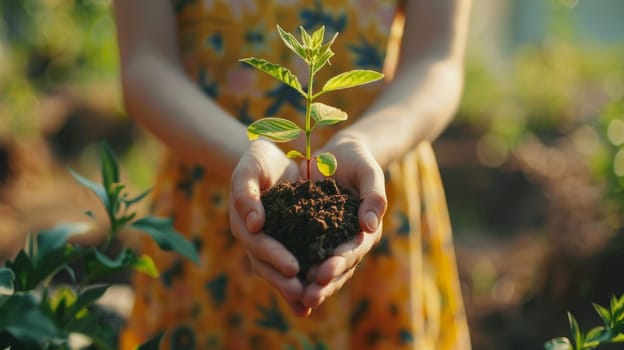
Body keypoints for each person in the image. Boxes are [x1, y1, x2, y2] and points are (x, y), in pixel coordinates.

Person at [112, 0, 472, 349]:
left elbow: (436, 60)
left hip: (369, 179)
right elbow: (145, 62)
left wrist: (363, 142)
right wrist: (246, 152)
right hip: (212, 194)